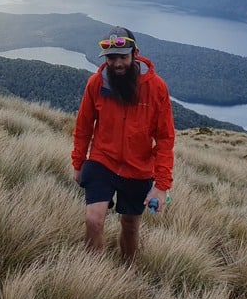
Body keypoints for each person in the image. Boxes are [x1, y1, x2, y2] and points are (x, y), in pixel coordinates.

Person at [71, 26, 175, 264]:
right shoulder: (96, 83)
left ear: (135, 54)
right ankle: (93, 275)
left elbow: (165, 139)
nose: (117, 63)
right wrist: (78, 163)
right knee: (93, 220)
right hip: (102, 161)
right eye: (111, 57)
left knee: (129, 226)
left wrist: (162, 185)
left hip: (138, 169)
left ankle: (129, 274)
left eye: (123, 57)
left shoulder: (156, 88)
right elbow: (84, 127)